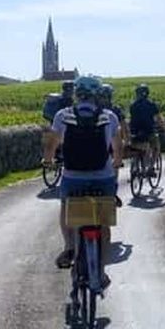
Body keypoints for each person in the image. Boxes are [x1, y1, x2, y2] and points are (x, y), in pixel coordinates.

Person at [47, 75, 122, 284]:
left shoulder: (63, 115)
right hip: (103, 177)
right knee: (104, 224)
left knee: (65, 207)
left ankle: (70, 246)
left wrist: (48, 160)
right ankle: (102, 270)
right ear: (97, 95)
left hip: (73, 177)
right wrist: (116, 162)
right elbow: (118, 146)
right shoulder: (109, 116)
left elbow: (52, 142)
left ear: (76, 95)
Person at [129, 83, 165, 170]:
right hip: (149, 131)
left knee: (136, 145)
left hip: (134, 131)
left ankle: (135, 165)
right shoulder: (152, 105)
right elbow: (159, 119)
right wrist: (163, 127)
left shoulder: (133, 105)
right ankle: (151, 167)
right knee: (156, 147)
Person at [41, 81, 74, 164]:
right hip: (62, 120)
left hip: (51, 118)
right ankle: (61, 154)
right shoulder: (67, 99)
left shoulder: (58, 98)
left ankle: (53, 155)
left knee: (53, 135)